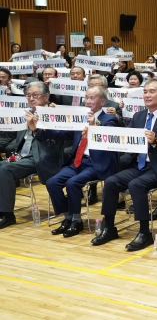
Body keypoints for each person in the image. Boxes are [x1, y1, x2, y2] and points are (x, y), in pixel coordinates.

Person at [91, 79, 157, 251]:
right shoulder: (139, 116)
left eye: (151, 91)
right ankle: (109, 227)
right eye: (145, 91)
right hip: (137, 165)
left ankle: (144, 232)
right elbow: (128, 140)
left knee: (136, 185)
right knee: (111, 182)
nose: (147, 95)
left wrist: (156, 141)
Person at [45, 86, 119, 238]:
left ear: (102, 101)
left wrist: (95, 125)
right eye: (86, 97)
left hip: (96, 163)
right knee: (52, 182)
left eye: (92, 98)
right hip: (78, 162)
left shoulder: (109, 119)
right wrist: (43, 127)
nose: (88, 101)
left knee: (72, 183)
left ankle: (77, 221)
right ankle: (68, 217)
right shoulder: (80, 116)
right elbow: (62, 133)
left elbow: (109, 137)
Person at [0, 80, 68, 229]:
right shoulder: (24, 113)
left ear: (46, 96)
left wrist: (37, 126)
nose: (31, 98)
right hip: (21, 156)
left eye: (35, 95)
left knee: (4, 169)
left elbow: (54, 144)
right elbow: (13, 138)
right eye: (28, 95)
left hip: (44, 157)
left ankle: (6, 214)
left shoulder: (54, 114)